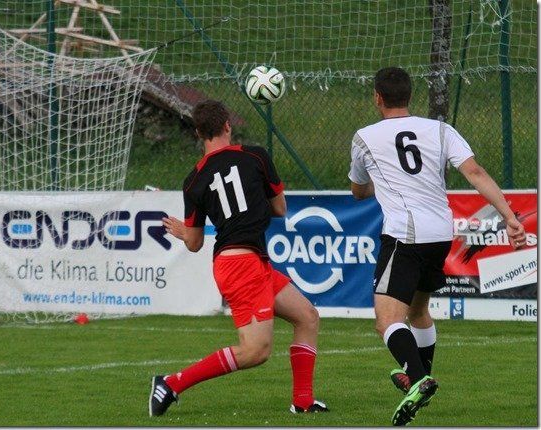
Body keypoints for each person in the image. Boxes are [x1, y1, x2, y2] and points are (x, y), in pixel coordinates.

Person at [348, 67, 526, 426]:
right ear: (410, 96)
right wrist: (509, 216)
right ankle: (421, 380)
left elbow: (358, 190)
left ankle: (418, 379)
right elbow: (474, 172)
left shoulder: (365, 137)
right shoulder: (440, 129)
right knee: (418, 312)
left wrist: (375, 182)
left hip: (404, 235)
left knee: (386, 321)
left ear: (378, 97)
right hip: (441, 235)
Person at [149, 99, 328, 416]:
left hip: (244, 262)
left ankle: (303, 401)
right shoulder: (255, 156)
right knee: (256, 351)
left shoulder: (194, 179)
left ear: (198, 133)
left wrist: (183, 231)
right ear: (228, 125)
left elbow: (194, 243)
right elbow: (280, 209)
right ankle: (171, 384)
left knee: (307, 316)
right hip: (243, 265)